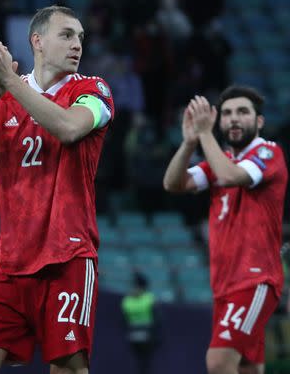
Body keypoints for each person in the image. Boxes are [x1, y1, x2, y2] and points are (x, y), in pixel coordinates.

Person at [0, 6, 115, 374]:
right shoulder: (5, 94)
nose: (77, 45)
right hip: (9, 260)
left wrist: (11, 83)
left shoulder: (91, 90)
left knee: (68, 369)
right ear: (37, 41)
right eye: (67, 35)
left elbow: (69, 128)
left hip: (67, 256)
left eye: (80, 37)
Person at [163, 87, 287, 374]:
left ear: (259, 122)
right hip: (224, 285)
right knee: (247, 368)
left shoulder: (268, 152)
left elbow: (231, 177)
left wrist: (205, 134)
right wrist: (189, 143)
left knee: (218, 361)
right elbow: (173, 184)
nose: (234, 119)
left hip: (254, 278)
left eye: (243, 112)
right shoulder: (219, 161)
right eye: (228, 113)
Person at [121, 272, 157, 374]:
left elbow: (157, 320)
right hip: (133, 339)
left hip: (148, 339)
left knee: (146, 365)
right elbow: (123, 321)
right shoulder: (127, 301)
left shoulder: (149, 299)